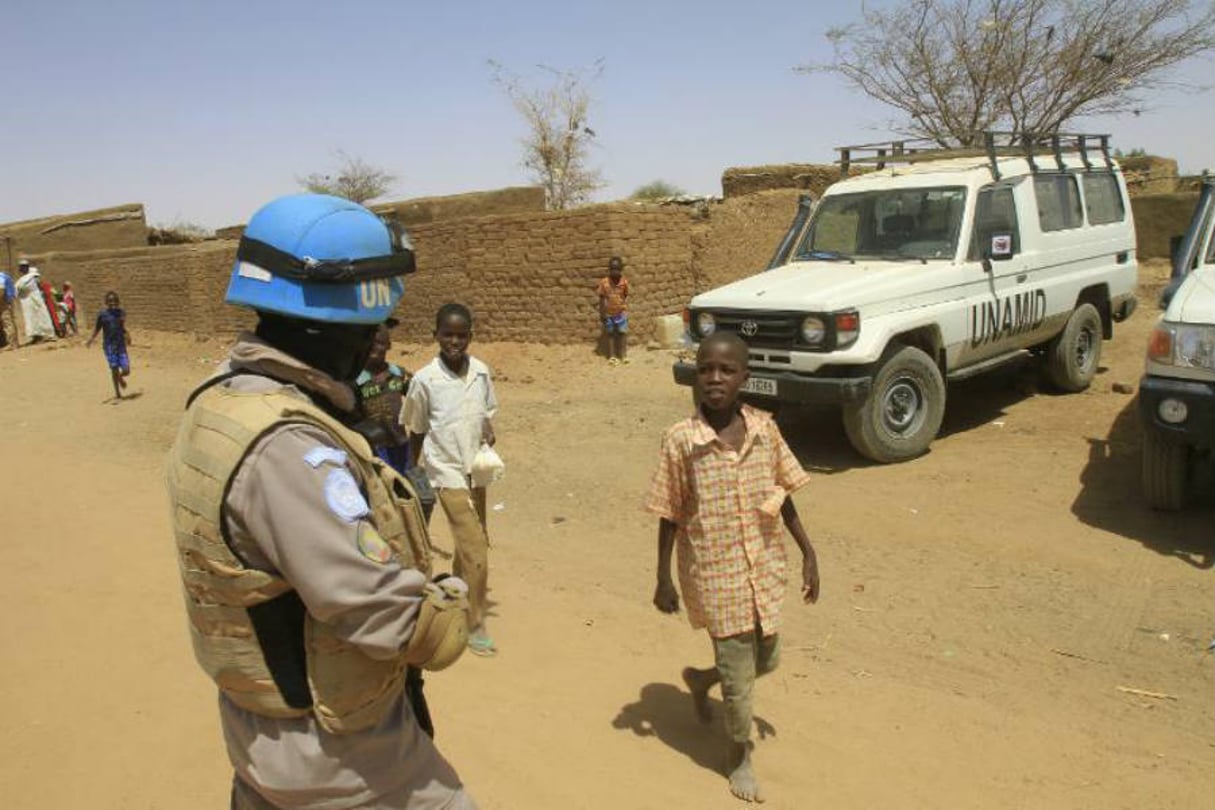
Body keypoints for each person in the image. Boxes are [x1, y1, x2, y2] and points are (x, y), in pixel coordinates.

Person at [164, 193, 477, 810]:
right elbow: (378, 611)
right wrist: (451, 608)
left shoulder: (220, 399)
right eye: (370, 329)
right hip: (338, 756)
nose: (374, 346)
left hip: (264, 738)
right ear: (324, 326)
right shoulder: (288, 447)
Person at [644, 331, 820, 804]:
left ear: (745, 377)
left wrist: (809, 552)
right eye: (706, 369)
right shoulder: (682, 440)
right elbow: (670, 512)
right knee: (740, 680)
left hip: (761, 567)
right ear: (696, 375)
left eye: (726, 370)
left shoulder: (765, 429)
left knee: (768, 659)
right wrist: (662, 577)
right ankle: (738, 757)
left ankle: (702, 680)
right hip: (715, 574)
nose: (715, 379)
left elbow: (783, 494)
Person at [401, 303, 499, 657]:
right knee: (477, 548)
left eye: (461, 335)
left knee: (466, 544)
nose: (454, 341)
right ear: (436, 335)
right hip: (445, 472)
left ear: (471, 336)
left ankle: (451, 593)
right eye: (448, 334)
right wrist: (415, 473)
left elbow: (487, 412)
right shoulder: (425, 380)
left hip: (477, 470)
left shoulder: (482, 373)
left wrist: (488, 431)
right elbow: (416, 429)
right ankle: (474, 625)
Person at [356, 317, 413, 474]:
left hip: (400, 442)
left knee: (404, 480)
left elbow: (419, 398)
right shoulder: (357, 381)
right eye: (369, 344)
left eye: (379, 344)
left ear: (388, 345)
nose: (374, 348)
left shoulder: (398, 375)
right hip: (373, 446)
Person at [85, 291, 132, 400]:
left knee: (126, 370)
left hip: (120, 345)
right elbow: (97, 329)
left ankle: (120, 377)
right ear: (106, 302)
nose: (112, 303)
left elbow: (122, 327)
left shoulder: (121, 313)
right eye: (110, 301)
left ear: (118, 301)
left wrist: (128, 335)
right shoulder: (102, 315)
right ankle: (117, 393)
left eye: (114, 301)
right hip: (109, 346)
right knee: (114, 368)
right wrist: (91, 339)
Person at [597, 255, 630, 365]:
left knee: (622, 333)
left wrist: (622, 307)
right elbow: (601, 298)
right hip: (609, 313)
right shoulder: (604, 282)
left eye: (617, 269)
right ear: (609, 269)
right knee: (610, 334)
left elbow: (625, 295)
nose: (615, 271)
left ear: (621, 270)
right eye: (612, 269)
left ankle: (623, 355)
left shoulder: (624, 282)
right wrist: (602, 313)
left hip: (621, 312)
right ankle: (612, 356)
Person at [13, 260, 56, 343]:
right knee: (30, 318)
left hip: (36, 298)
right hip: (26, 301)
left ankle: (48, 335)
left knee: (41, 315)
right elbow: (17, 290)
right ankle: (36, 336)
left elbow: (39, 284)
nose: (22, 268)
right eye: (21, 267)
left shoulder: (33, 275)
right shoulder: (21, 280)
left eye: (24, 266)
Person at [0, 267, 17, 349]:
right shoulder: (4, 276)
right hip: (6, 301)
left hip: (4, 303)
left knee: (7, 322)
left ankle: (12, 344)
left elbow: (1, 291)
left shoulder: (1, 277)